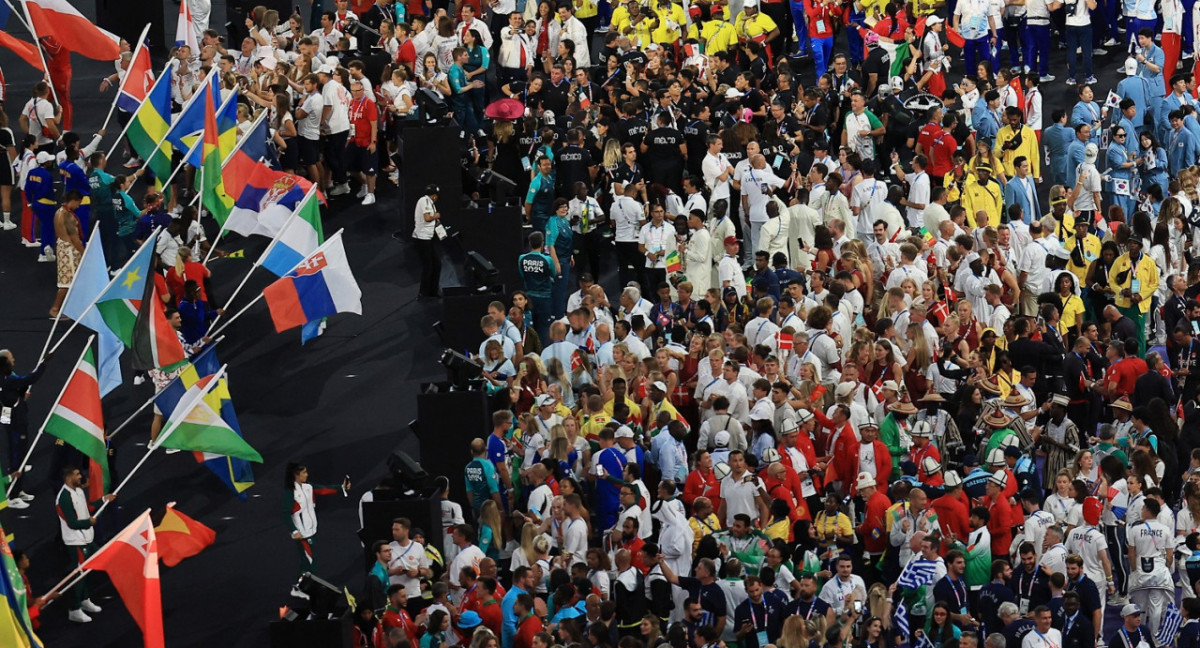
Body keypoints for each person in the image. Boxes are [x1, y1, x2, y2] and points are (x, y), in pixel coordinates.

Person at [56, 465, 115, 623]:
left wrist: (103, 500)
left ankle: (85, 599)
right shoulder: (63, 499)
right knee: (79, 575)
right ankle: (75, 609)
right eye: (77, 474)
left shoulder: (79, 491)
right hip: (75, 542)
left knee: (89, 570)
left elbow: (87, 508)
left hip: (87, 538)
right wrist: (88, 523)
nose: (80, 477)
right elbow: (72, 523)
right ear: (68, 478)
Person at [285, 462, 350, 591]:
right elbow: (285, 513)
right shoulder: (290, 492)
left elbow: (323, 489)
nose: (307, 475)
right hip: (301, 533)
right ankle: (304, 588)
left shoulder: (308, 487)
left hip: (310, 529)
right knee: (310, 560)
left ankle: (301, 586)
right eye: (304, 472)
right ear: (296, 475)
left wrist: (341, 487)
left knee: (306, 560)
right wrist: (294, 530)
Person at [413, 183, 443, 299]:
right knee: (428, 266)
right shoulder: (424, 201)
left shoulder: (429, 203)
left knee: (436, 264)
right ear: (434, 196)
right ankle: (423, 293)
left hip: (428, 238)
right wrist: (436, 216)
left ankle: (432, 291)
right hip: (422, 238)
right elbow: (427, 218)